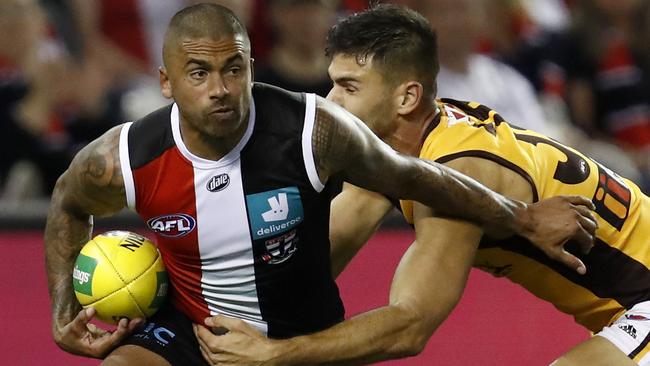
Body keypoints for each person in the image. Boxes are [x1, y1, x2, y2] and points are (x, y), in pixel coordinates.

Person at [43, 3, 595, 366]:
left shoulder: (313, 130)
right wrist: (63, 309)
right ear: (165, 82)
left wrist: (521, 218)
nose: (220, 89)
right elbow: (67, 205)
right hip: (191, 331)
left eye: (233, 69)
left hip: (299, 340)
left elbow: (419, 177)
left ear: (252, 67)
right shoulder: (124, 158)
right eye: (198, 73)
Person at [192, 5, 650, 366]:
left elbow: (410, 326)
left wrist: (275, 355)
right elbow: (306, 271)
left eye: (348, 88)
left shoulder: (458, 169)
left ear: (406, 97)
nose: (328, 103)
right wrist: (189, 316)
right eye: (332, 85)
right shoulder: (397, 156)